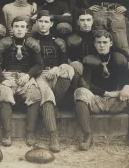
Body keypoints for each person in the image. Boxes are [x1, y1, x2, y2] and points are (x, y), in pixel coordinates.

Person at [74, 30, 129, 150]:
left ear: (111, 43)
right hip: (97, 99)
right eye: (99, 42)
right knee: (80, 91)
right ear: (95, 44)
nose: (102, 45)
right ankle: (88, 136)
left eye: (105, 42)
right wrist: (106, 93)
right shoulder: (89, 60)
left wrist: (126, 88)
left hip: (116, 100)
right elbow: (86, 83)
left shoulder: (117, 58)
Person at [0, 16, 43, 146]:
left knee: (35, 95)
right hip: (8, 75)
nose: (19, 29)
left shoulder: (32, 43)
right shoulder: (5, 42)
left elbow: (39, 64)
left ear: (27, 29)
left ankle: (30, 132)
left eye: (22, 27)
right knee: (5, 95)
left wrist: (29, 75)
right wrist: (2, 79)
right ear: (12, 28)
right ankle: (7, 133)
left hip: (25, 76)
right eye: (16, 26)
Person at [33, 10, 75, 152]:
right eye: (41, 21)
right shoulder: (32, 40)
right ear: (37, 23)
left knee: (69, 69)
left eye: (46, 22)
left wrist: (57, 68)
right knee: (47, 95)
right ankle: (53, 135)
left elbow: (64, 62)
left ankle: (51, 106)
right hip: (40, 75)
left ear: (51, 24)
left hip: (55, 72)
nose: (43, 24)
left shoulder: (57, 41)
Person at [67, 10, 129, 78]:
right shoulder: (74, 38)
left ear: (92, 21)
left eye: (88, 20)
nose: (85, 23)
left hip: (101, 67)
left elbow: (116, 48)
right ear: (78, 22)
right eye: (82, 20)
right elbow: (70, 57)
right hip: (85, 69)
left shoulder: (98, 35)